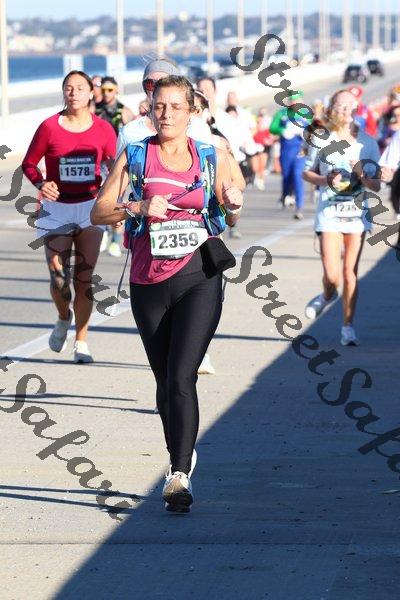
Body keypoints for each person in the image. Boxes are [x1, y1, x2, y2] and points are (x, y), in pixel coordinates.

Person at [91, 75, 243, 512]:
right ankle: (180, 449)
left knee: (181, 375)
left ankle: (178, 474)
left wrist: (233, 201)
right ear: (149, 108)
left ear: (192, 112)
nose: (167, 114)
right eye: (159, 106)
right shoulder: (136, 154)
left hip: (199, 275)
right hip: (148, 280)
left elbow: (231, 211)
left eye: (176, 107)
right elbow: (99, 211)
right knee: (164, 382)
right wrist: (136, 206)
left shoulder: (211, 155)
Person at [22, 70, 116, 363]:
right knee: (59, 278)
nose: (73, 93)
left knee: (84, 279)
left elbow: (115, 166)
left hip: (90, 209)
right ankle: (64, 316)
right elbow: (29, 163)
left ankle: (81, 342)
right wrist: (41, 183)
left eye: (79, 88)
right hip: (56, 209)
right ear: (63, 92)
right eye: (68, 88)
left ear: (91, 93)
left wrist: (114, 198)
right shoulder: (49, 127)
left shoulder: (103, 129)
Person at [303, 89, 381, 346]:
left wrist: (361, 173)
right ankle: (327, 295)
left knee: (350, 273)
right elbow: (307, 172)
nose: (345, 109)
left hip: (357, 216)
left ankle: (348, 326)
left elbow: (376, 185)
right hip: (329, 213)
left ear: (357, 108)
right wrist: (325, 180)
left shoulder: (367, 143)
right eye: (340, 105)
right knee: (333, 275)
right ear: (331, 109)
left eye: (350, 105)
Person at [269, 90, 312, 219]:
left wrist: (305, 132)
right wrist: (283, 130)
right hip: (286, 150)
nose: (294, 103)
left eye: (297, 100)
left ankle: (299, 207)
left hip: (301, 150)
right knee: (287, 176)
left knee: (297, 175)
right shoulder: (281, 114)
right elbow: (272, 128)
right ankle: (285, 195)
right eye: (292, 100)